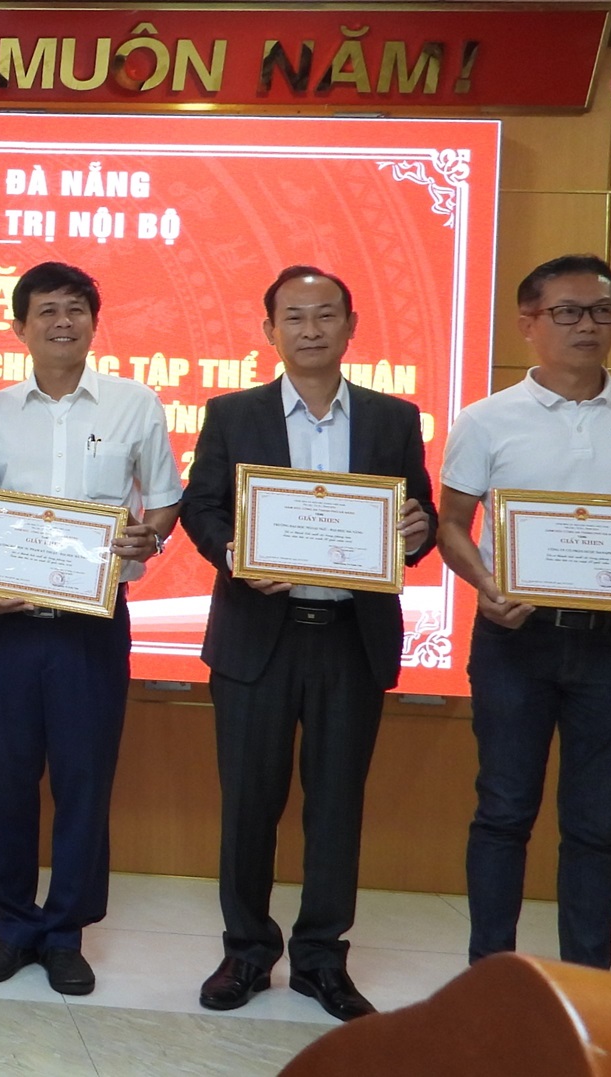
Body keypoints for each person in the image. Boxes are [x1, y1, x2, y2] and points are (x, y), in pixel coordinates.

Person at [432, 255, 611, 970]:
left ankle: (588, 980)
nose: (588, 325)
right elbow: (452, 522)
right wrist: (486, 584)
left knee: (594, 825)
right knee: (503, 812)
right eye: (568, 312)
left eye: (602, 310)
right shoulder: (486, 419)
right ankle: (491, 975)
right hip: (514, 640)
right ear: (528, 323)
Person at [179, 265, 436, 1022]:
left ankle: (322, 957)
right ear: (270, 331)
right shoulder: (233, 412)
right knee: (248, 803)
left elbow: (415, 517)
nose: (311, 329)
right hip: (258, 637)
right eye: (294, 316)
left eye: (326, 315)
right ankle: (246, 951)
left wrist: (415, 533)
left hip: (351, 639)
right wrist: (236, 554)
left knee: (336, 805)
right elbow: (202, 507)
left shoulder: (393, 418)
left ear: (351, 326)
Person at [0, 262, 181, 995]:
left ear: (94, 321)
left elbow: (164, 501)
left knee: (84, 779)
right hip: (6, 624)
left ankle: (65, 932)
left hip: (94, 624)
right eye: (48, 311)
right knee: (3, 778)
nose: (63, 322)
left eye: (76, 310)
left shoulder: (134, 404)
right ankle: (12, 923)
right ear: (19, 327)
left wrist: (150, 535)